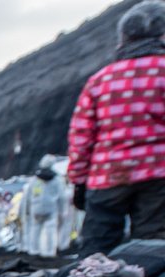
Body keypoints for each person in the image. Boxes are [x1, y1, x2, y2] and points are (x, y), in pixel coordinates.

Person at [68, 0, 165, 256]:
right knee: (154, 249)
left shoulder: (100, 80)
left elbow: (81, 138)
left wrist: (79, 182)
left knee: (96, 249)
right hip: (158, 177)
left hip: (106, 177)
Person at [27, 156, 65, 257]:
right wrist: (62, 211)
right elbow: (62, 196)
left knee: (35, 229)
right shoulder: (57, 179)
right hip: (51, 208)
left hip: (36, 207)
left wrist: (29, 208)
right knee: (50, 230)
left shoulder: (35, 179)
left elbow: (29, 195)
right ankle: (50, 252)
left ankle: (33, 250)